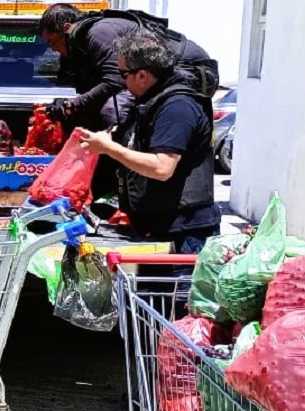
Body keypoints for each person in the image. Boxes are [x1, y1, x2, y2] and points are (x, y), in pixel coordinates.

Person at [39, 3, 218, 199]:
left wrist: (73, 104)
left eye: (53, 42)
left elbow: (115, 81)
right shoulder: (80, 45)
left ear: (66, 28)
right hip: (158, 74)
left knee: (113, 110)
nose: (54, 50)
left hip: (190, 69)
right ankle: (101, 186)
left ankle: (121, 188)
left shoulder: (99, 33)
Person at [78, 29, 220, 256]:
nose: (122, 82)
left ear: (143, 75)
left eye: (124, 74)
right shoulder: (151, 102)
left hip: (184, 232)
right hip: (157, 226)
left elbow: (161, 167)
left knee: (178, 292)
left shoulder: (177, 107)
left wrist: (108, 148)